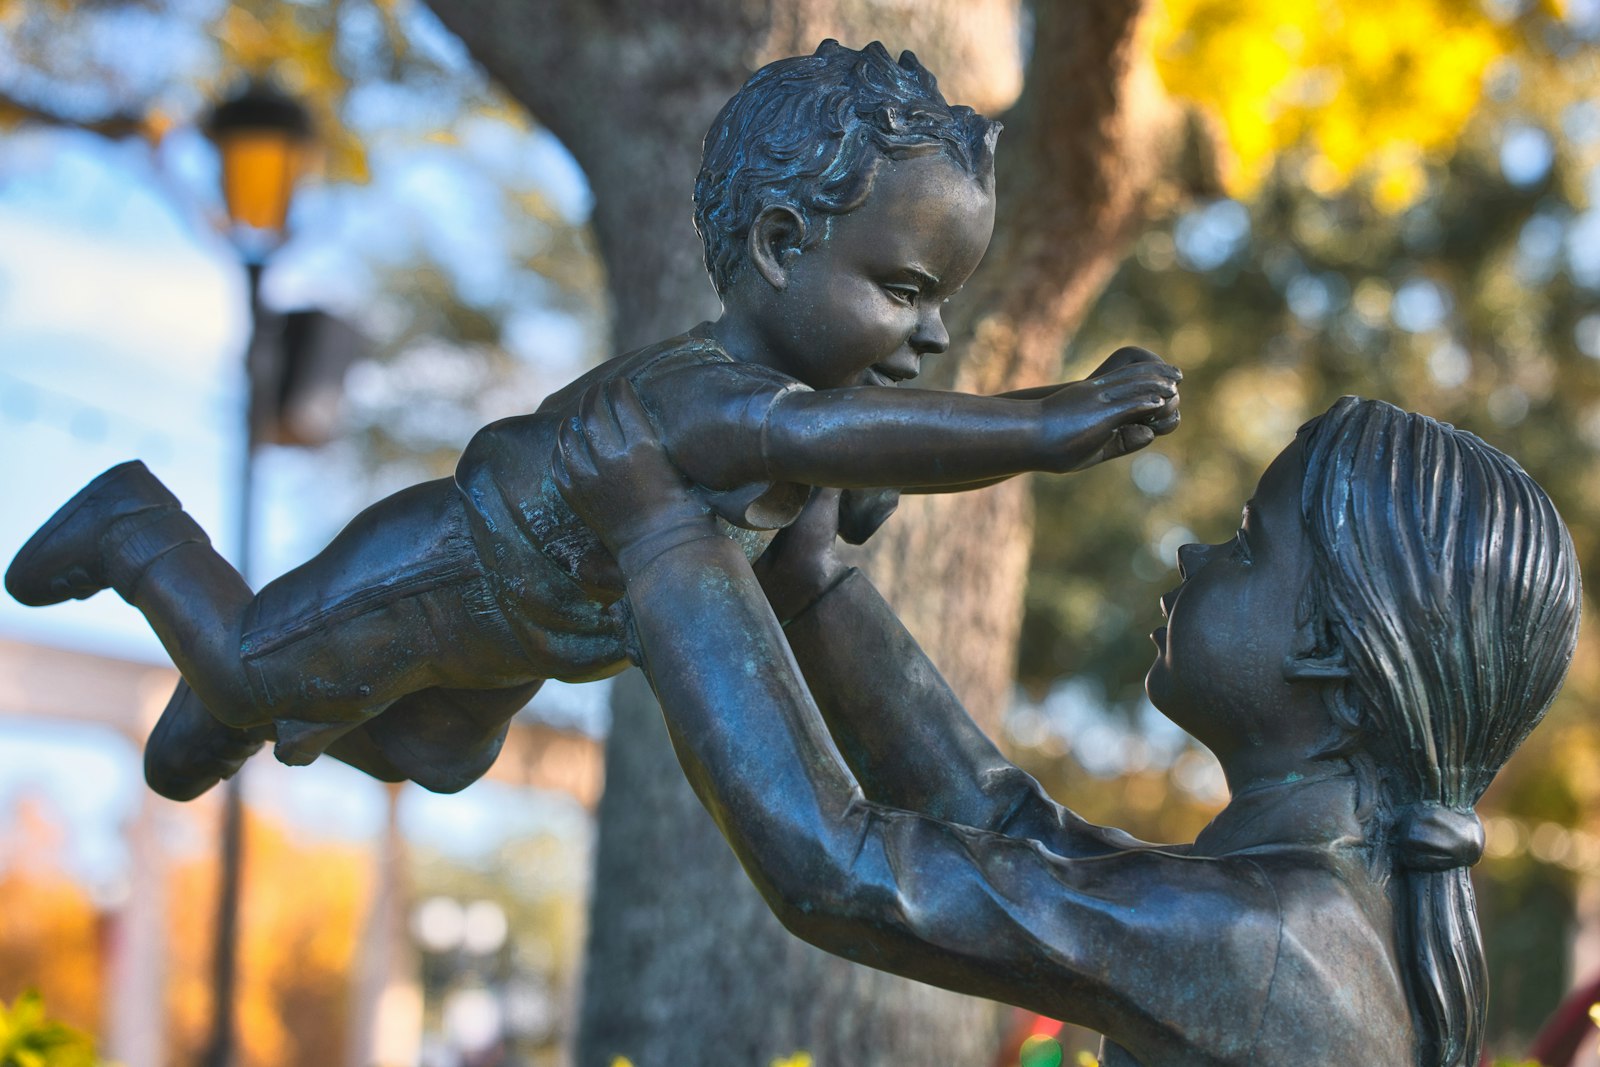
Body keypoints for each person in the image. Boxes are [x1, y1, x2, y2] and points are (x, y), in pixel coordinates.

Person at [4, 40, 1181, 799]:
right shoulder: (712, 397)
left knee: (442, 757)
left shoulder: (811, 415)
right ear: (778, 248)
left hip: (522, 644)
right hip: (445, 571)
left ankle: (246, 695)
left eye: (942, 302)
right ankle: (138, 528)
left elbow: (848, 473)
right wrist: (1046, 422)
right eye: (906, 292)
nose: (928, 337)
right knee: (248, 664)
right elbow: (846, 445)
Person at [552, 383, 1580, 1067]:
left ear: (1328, 643)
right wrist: (809, 579)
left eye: (1244, 542)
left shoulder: (1259, 938)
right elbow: (1004, 819)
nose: (1193, 555)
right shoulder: (1304, 908)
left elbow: (834, 866)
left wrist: (663, 543)